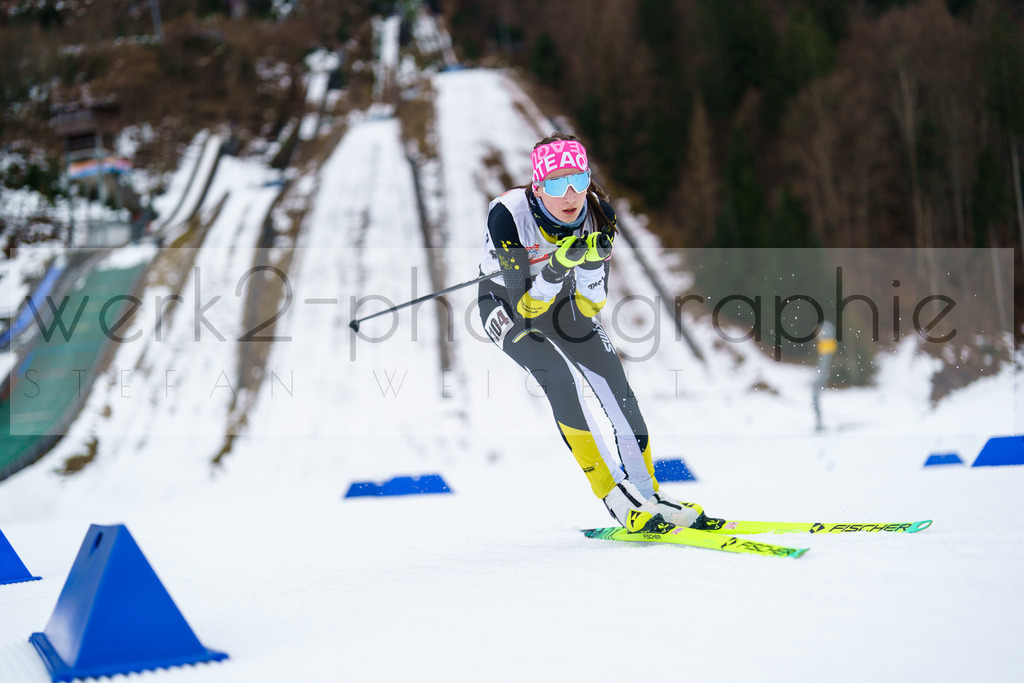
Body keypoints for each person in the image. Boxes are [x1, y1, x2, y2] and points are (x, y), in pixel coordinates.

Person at [477, 132, 706, 533]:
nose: (569, 196)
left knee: (614, 381)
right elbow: (525, 309)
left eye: (578, 182)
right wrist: (554, 269)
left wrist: (589, 264)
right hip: (505, 305)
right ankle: (615, 498)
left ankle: (648, 492)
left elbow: (590, 305)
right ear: (537, 187)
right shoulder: (507, 216)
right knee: (558, 377)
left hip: (563, 302)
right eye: (554, 184)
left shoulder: (599, 214)